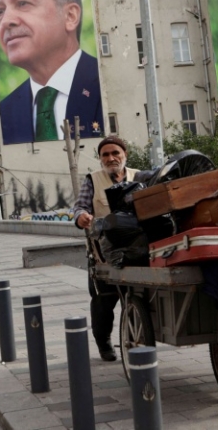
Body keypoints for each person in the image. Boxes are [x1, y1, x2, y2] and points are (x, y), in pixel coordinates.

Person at [0, 0, 103, 144]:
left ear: (70, 16)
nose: (6, 21)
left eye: (23, 3)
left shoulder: (107, 82)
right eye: (0, 11)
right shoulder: (3, 113)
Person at [73, 136, 149, 362]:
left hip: (136, 251)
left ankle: (136, 341)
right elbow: (79, 207)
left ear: (125, 155)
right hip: (102, 255)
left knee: (136, 297)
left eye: (115, 153)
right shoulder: (93, 180)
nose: (111, 158)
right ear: (100, 158)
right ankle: (104, 342)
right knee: (103, 302)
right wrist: (81, 217)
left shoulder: (141, 177)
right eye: (105, 154)